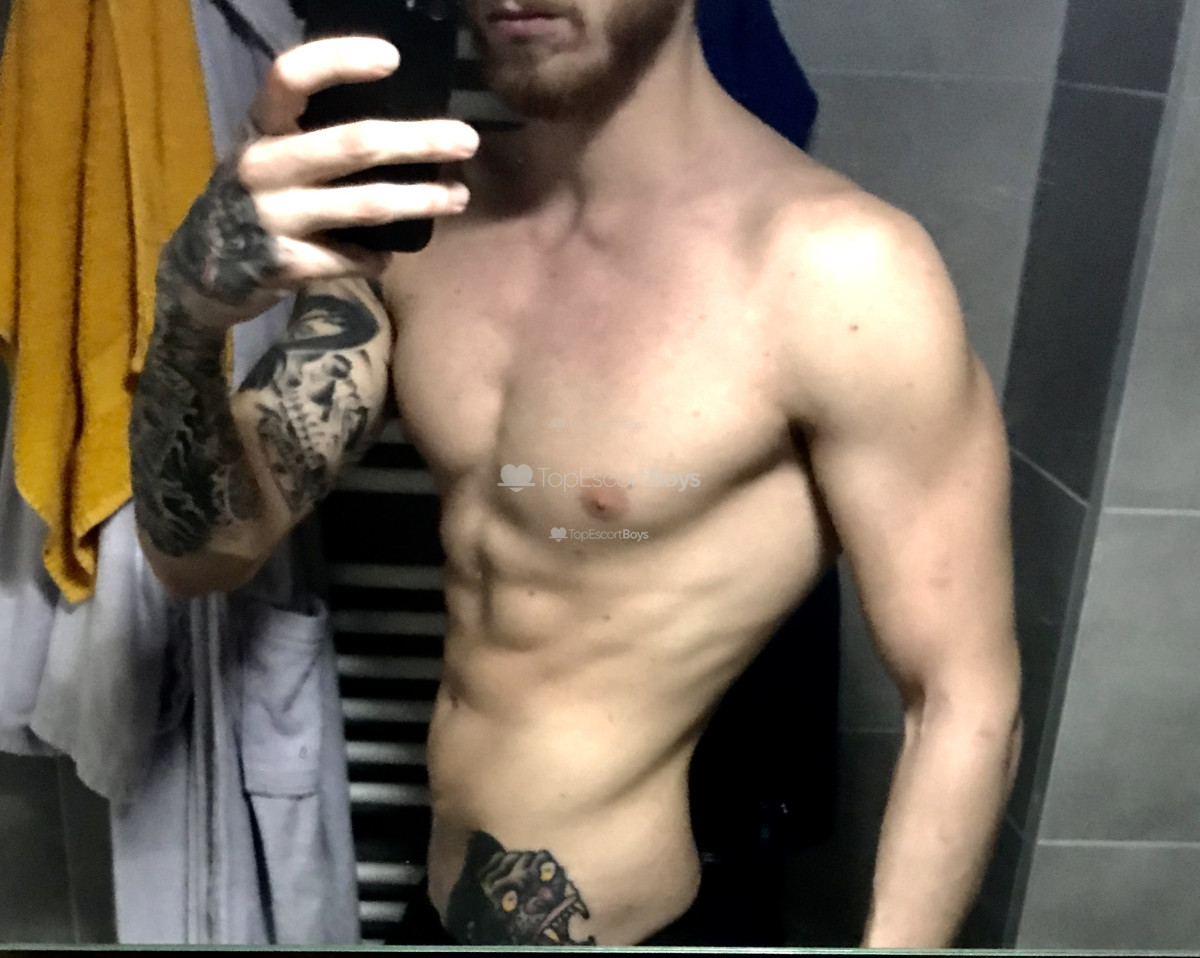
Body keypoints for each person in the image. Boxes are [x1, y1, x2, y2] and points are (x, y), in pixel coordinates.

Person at [129, 0, 1023, 946]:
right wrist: (187, 312)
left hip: (638, 929)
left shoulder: (839, 272)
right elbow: (205, 552)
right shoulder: (423, 221)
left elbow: (962, 697)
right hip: (436, 915)